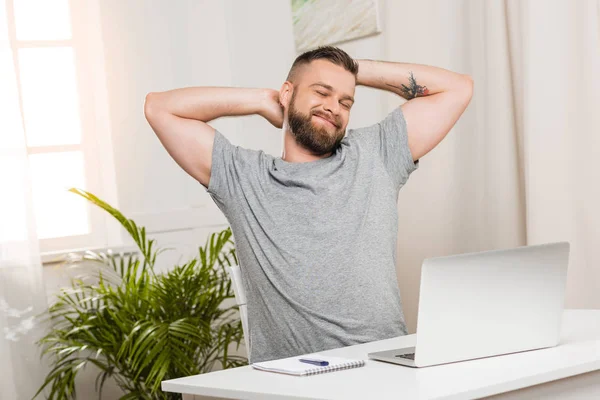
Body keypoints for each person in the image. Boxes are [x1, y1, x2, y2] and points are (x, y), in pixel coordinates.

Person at [144, 46, 473, 363]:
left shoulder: (377, 154)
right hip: (291, 384)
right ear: (288, 94)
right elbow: (159, 108)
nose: (334, 107)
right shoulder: (243, 177)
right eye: (321, 92)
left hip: (382, 373)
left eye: (346, 101)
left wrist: (353, 71)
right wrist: (262, 100)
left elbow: (458, 88)